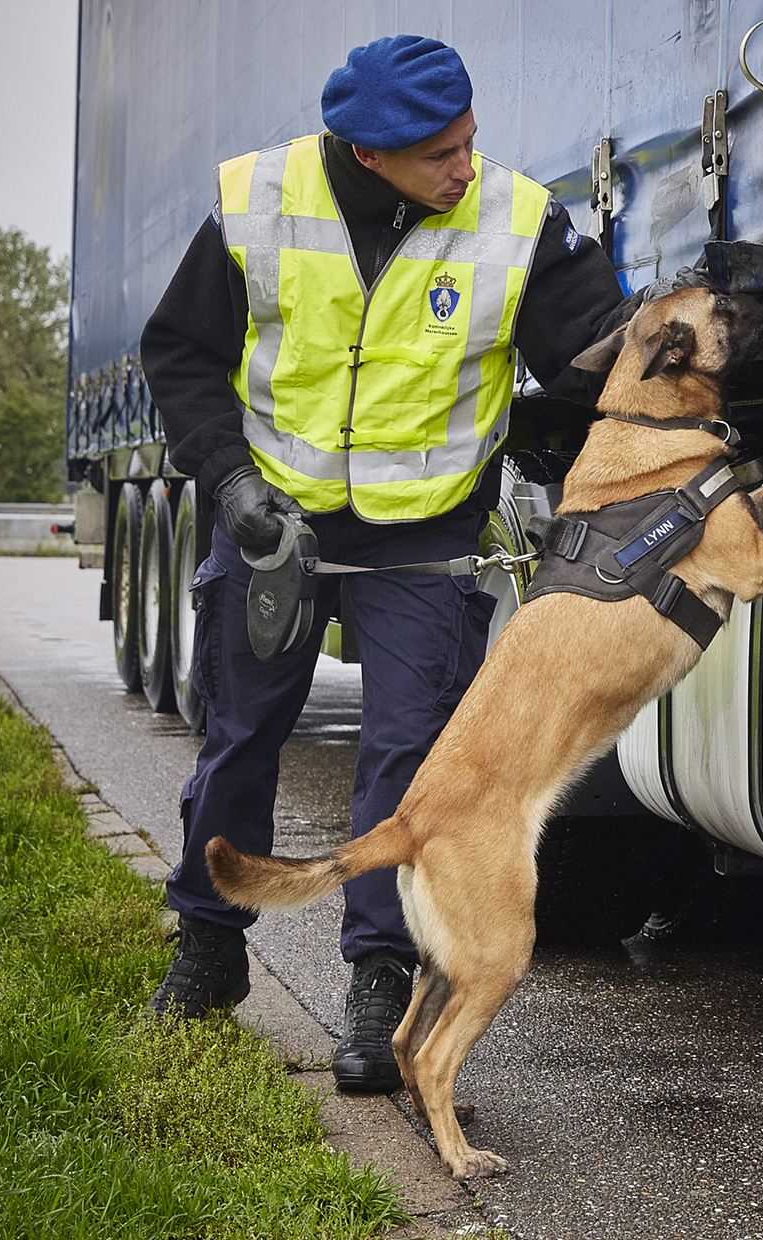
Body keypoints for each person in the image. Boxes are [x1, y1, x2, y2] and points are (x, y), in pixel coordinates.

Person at [139, 34, 622, 1093]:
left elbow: (593, 354)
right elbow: (179, 354)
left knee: (405, 757)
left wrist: (654, 350)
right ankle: (209, 947)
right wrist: (229, 486)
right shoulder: (256, 201)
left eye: (469, 142)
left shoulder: (518, 220)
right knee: (241, 737)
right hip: (272, 517)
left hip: (424, 532)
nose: (465, 168)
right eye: (440, 154)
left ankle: (377, 976)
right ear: (368, 154)